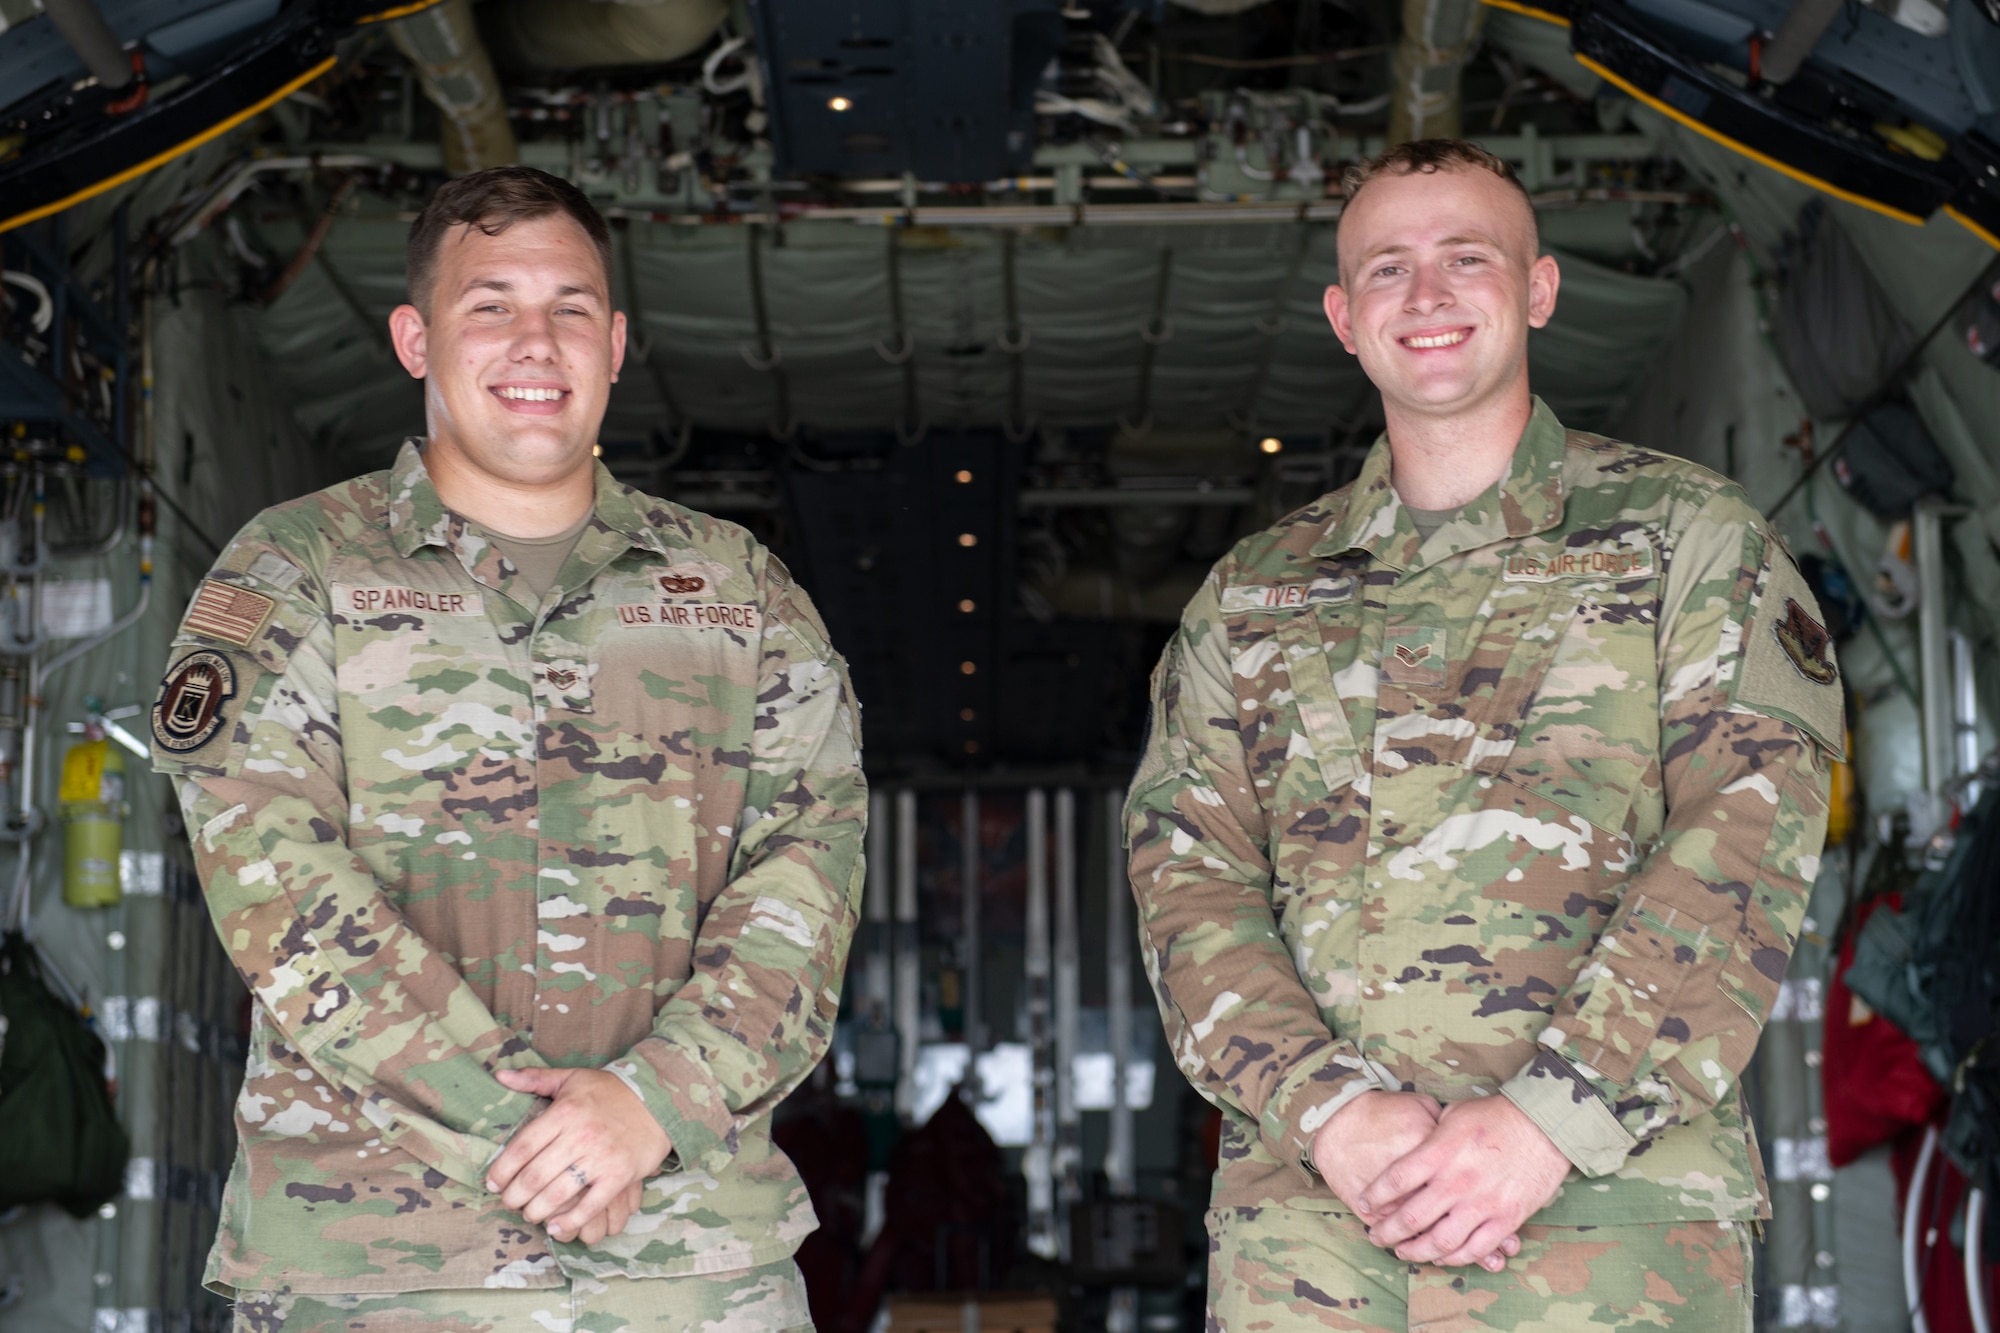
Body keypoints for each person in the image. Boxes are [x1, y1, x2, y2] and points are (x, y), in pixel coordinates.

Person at [1125, 139, 1843, 1331]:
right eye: (1388, 268)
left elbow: (1745, 842)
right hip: (1316, 1238)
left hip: (1613, 1230)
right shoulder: (1250, 597)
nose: (1428, 294)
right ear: (1342, 317)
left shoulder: (1688, 540)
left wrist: (1547, 1121)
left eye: (1467, 257)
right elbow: (1183, 879)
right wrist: (1325, 1113)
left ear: (1540, 288)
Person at [149, 166, 865, 1332]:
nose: (536, 341)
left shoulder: (736, 592)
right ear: (413, 337)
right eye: (490, 304)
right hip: (380, 1263)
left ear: (618, 342)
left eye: (570, 307)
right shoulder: (299, 568)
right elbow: (269, 870)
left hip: (683, 1266)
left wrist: (652, 1107)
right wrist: (535, 1130)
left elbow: (810, 870)